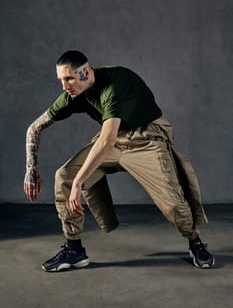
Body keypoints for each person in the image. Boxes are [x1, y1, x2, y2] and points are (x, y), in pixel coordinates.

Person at [24, 50, 215, 272]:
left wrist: (79, 183)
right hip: (114, 138)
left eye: (69, 78)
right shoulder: (74, 94)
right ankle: (74, 249)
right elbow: (34, 128)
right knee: (64, 176)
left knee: (173, 202)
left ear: (86, 72)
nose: (65, 86)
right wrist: (32, 169)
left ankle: (194, 241)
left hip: (146, 138)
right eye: (61, 80)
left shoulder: (114, 84)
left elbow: (106, 140)